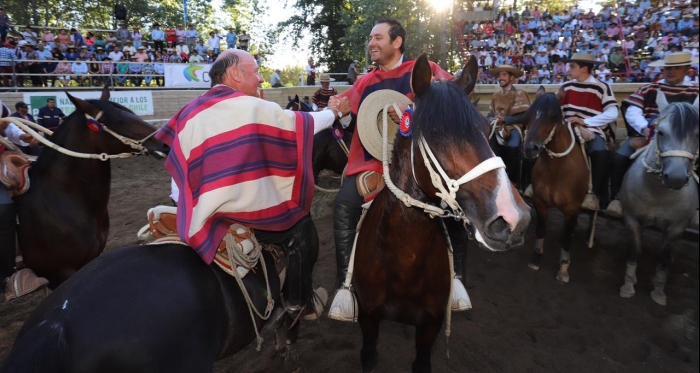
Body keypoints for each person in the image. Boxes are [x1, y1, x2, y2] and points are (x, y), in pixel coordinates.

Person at [154, 49, 350, 320]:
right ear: (235, 73)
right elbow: (297, 125)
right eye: (256, 71)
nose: (260, 78)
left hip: (191, 210)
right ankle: (299, 304)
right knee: (300, 225)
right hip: (230, 214)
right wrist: (334, 112)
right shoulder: (250, 107)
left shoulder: (189, 111)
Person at [327, 18, 471, 311]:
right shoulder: (364, 82)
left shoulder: (427, 71)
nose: (371, 44)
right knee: (344, 203)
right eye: (370, 39)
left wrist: (415, 111)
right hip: (373, 164)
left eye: (378, 38)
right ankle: (346, 284)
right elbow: (354, 126)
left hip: (423, 164)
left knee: (454, 207)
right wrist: (341, 113)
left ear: (397, 42)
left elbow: (453, 101)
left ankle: (456, 279)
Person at [607, 52, 700, 218]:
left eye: (676, 68)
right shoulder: (650, 88)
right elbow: (633, 110)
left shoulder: (696, 91)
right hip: (648, 137)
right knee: (620, 157)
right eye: (667, 68)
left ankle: (696, 206)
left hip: (685, 143)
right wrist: (645, 128)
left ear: (687, 69)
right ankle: (616, 197)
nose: (671, 71)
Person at [558, 53, 618, 211]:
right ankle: (535, 186)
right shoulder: (566, 86)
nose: (568, 69)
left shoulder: (602, 87)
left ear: (584, 68)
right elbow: (558, 110)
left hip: (591, 129)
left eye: (572, 66)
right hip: (566, 127)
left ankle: (595, 194)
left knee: (600, 152)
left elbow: (612, 113)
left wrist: (585, 122)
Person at [486, 64, 531, 191]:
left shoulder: (520, 93)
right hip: (496, 128)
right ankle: (493, 180)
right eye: (499, 75)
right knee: (487, 147)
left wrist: (505, 119)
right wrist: (492, 119)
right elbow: (490, 114)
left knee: (513, 146)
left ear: (512, 78)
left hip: (513, 127)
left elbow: (524, 115)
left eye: (504, 75)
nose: (501, 77)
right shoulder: (495, 96)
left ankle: (514, 181)